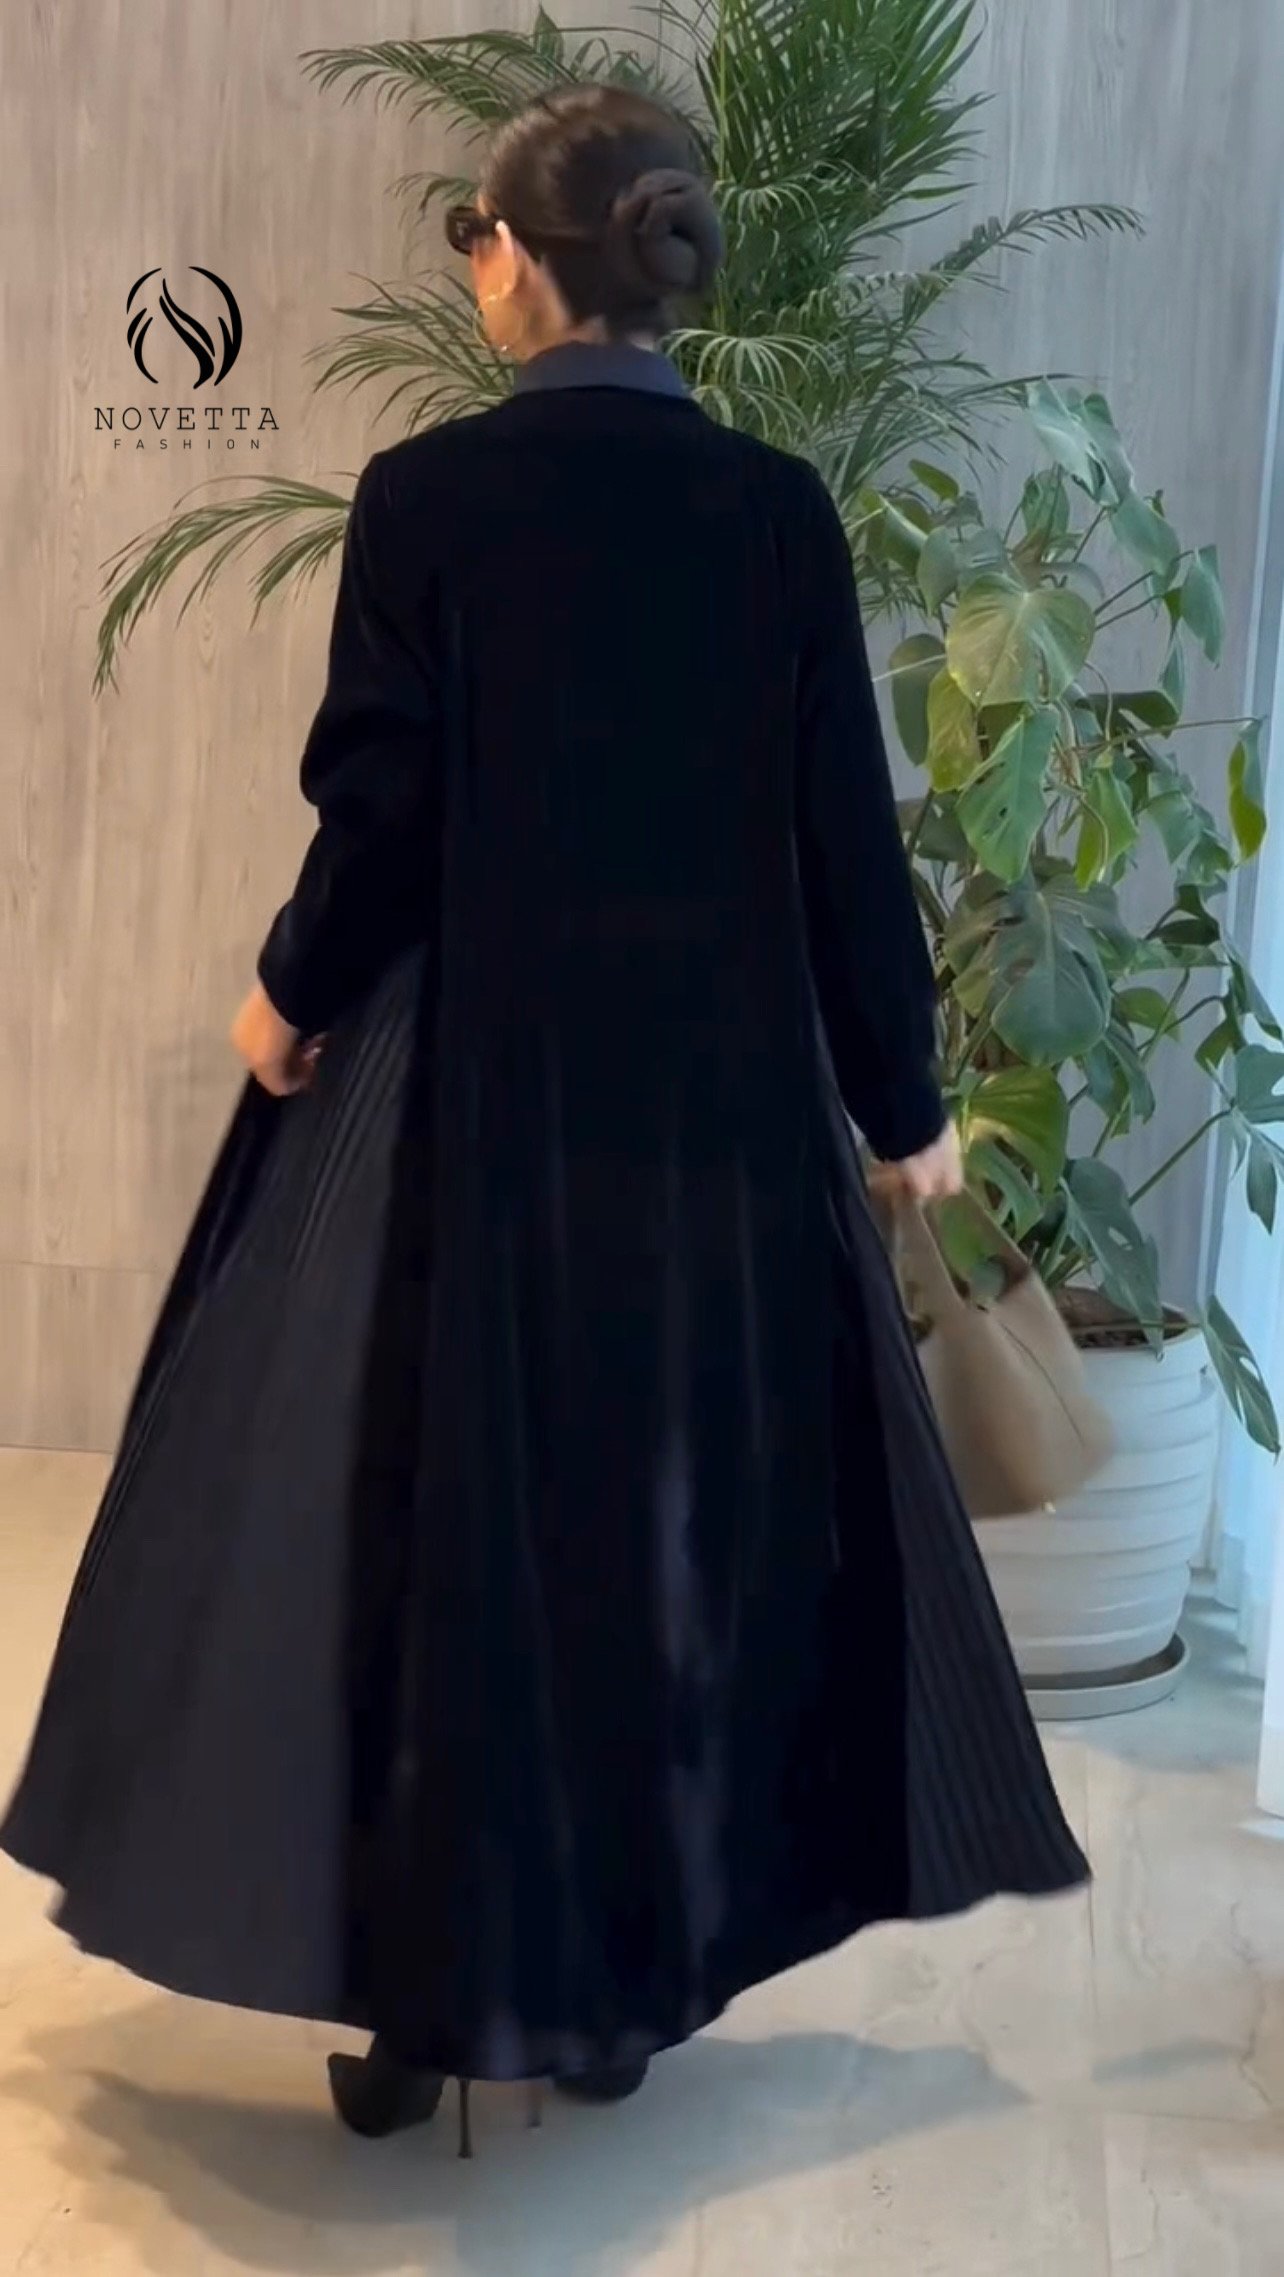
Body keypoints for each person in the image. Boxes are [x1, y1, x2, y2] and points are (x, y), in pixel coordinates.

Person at [2, 84, 1086, 2157]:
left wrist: (290, 993)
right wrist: (902, 1100)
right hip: (712, 1134)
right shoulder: (773, 512)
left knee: (436, 1538)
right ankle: (611, 1995)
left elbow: (384, 805)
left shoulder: (431, 499)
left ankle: (422, 2005)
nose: (471, 270)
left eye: (472, 238)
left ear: (518, 256)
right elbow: (841, 840)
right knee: (656, 1547)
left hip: (474, 1113)